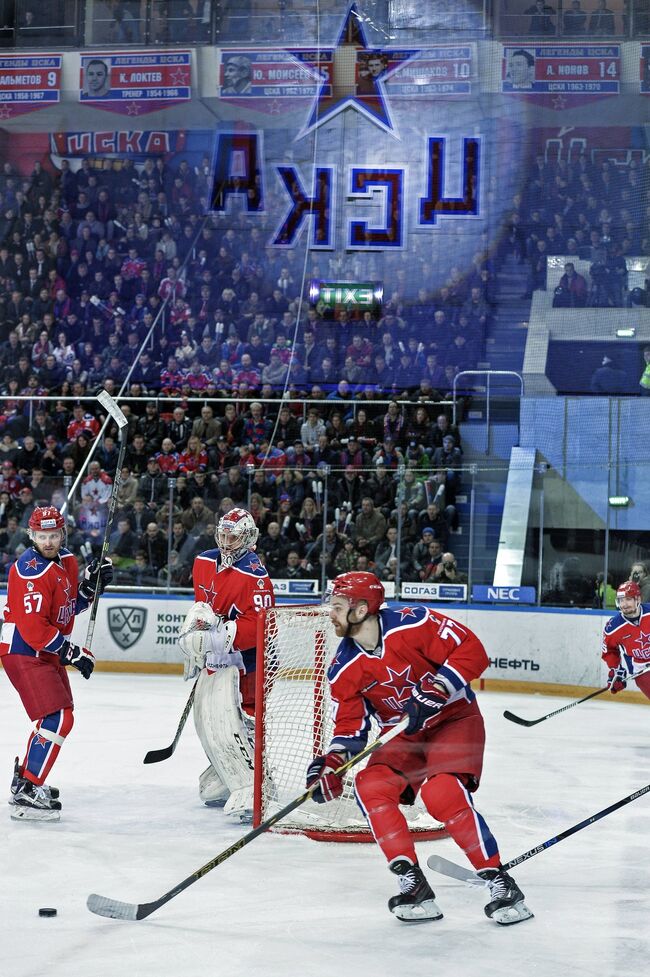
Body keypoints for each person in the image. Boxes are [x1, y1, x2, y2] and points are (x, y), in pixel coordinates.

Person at [306, 572, 533, 924]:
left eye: (337, 606)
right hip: (404, 737)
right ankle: (414, 886)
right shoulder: (343, 667)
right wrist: (334, 763)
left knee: (442, 793)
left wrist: (440, 687)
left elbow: (472, 651)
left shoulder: (414, 623)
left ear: (362, 608)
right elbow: (351, 727)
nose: (330, 613)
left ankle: (501, 883)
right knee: (370, 787)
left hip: (453, 719)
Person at [0, 506, 113, 821]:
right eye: (41, 535)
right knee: (57, 718)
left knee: (60, 717)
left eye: (53, 535)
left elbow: (65, 608)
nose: (48, 541)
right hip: (23, 649)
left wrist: (91, 586)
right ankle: (27, 790)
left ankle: (26, 779)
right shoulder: (28, 570)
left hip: (45, 650)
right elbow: (35, 628)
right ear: (31, 536)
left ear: (63, 534)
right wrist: (73, 653)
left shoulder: (68, 561)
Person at [178, 507, 275, 821]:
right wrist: (198, 635)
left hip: (249, 662)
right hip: (218, 659)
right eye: (222, 534)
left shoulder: (256, 575)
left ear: (246, 538)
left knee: (245, 720)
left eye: (232, 536)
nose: (226, 541)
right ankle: (226, 769)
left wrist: (219, 637)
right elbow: (203, 608)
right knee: (209, 721)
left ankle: (257, 783)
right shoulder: (204, 561)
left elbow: (261, 627)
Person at [601, 581, 650, 701]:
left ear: (638, 599)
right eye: (621, 600)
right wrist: (617, 670)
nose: (624, 604)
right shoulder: (613, 627)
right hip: (642, 670)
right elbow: (609, 651)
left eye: (628, 599)